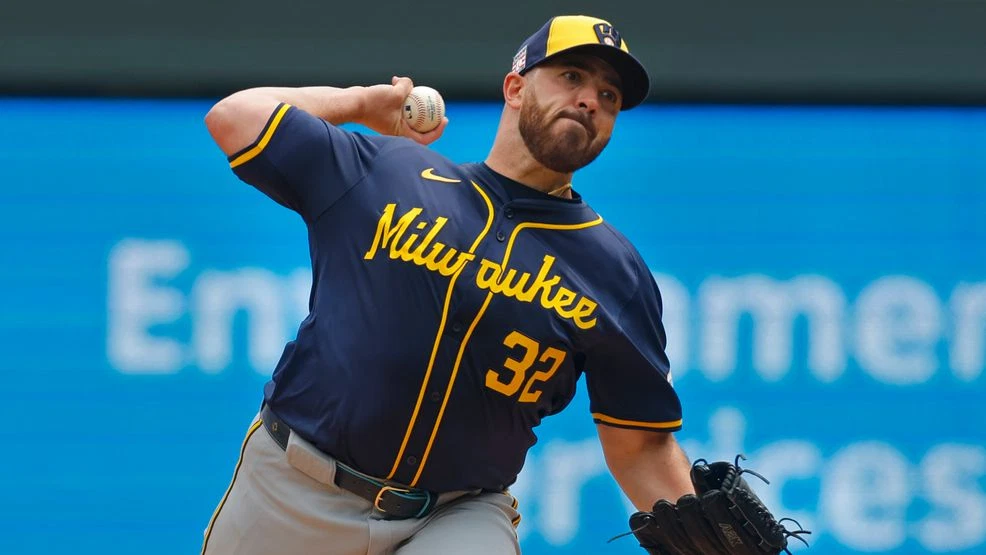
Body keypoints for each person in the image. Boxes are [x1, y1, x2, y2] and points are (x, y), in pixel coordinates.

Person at [201, 14, 696, 555]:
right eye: (572, 77)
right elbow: (235, 117)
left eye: (609, 94)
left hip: (456, 514)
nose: (590, 100)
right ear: (515, 87)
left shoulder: (614, 271)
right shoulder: (387, 172)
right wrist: (363, 104)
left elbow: (641, 445)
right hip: (293, 489)